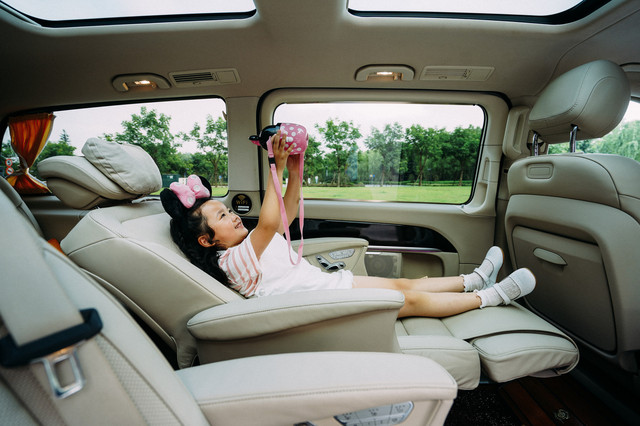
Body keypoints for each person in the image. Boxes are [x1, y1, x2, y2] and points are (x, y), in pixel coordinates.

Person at [161, 131, 535, 318]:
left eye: (228, 209)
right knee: (410, 300)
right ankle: (491, 298)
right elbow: (271, 221)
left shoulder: (246, 246)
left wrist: (295, 169)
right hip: (323, 306)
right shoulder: (231, 263)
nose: (233, 215)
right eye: (222, 217)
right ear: (207, 240)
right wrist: (273, 163)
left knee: (404, 284)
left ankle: (474, 279)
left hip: (330, 287)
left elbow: (285, 213)